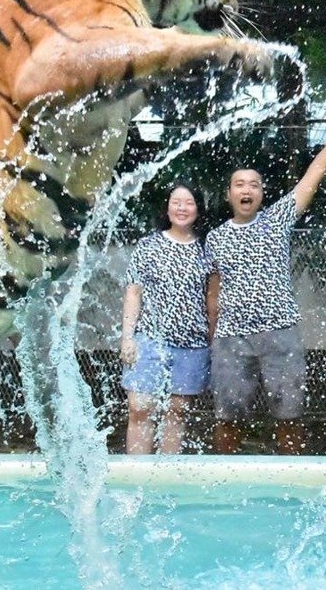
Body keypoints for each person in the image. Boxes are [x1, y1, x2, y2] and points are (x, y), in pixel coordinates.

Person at [206, 102, 326, 454]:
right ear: (229, 195)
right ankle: (225, 481)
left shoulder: (278, 220)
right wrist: (214, 338)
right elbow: (213, 293)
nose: (246, 189)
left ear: (261, 193)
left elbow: (312, 176)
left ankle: (293, 476)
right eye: (239, 184)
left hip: (279, 332)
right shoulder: (215, 237)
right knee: (228, 416)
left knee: (289, 413)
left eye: (253, 185)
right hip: (231, 338)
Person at [120, 183, 212, 455]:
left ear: (198, 209)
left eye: (189, 202)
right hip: (149, 339)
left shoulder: (207, 248)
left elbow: (213, 297)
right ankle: (136, 475)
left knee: (177, 412)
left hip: (192, 344)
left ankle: (165, 483)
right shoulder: (148, 245)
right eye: (176, 202)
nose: (182, 208)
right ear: (167, 207)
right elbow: (133, 292)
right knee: (139, 407)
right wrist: (127, 337)